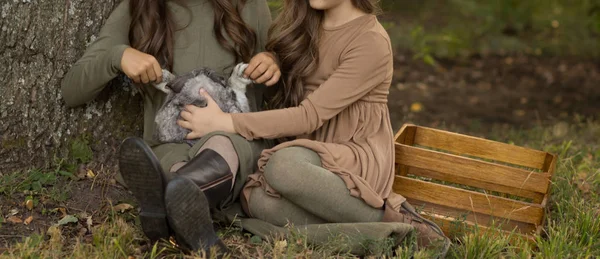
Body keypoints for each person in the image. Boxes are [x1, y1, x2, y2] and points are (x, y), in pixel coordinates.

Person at [177, 0, 451, 257]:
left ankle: (397, 221)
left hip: (353, 153)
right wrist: (272, 58)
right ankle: (385, 236)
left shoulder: (370, 42)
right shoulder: (308, 24)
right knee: (257, 200)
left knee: (282, 167)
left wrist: (226, 122)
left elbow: (309, 116)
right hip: (308, 149)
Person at [60, 0, 280, 255]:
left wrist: (272, 62)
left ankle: (170, 207)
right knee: (174, 167)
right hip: (172, 147)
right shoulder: (137, 9)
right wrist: (118, 56)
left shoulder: (249, 6)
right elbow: (72, 91)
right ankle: (182, 202)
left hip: (237, 138)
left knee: (221, 144)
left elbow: (288, 89)